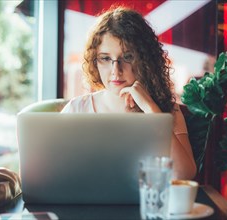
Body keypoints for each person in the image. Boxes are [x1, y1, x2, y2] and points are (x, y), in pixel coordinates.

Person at [61, 6, 197, 180]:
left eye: (127, 57)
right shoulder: (76, 109)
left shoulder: (165, 110)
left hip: (143, 206)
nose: (115, 71)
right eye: (105, 58)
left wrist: (151, 109)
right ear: (95, 61)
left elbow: (184, 175)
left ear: (145, 60)